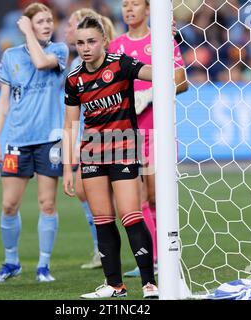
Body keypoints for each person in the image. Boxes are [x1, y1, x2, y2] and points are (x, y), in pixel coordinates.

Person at [63, 15, 158, 299]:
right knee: (102, 219)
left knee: (130, 215)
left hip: (123, 147)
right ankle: (114, 285)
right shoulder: (74, 80)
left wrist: (169, 44)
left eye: (91, 41)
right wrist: (69, 169)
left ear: (104, 40)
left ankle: (149, 284)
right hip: (92, 151)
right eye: (80, 43)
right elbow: (70, 125)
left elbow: (157, 73)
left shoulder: (121, 64)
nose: (85, 48)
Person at [0, 2, 69, 284]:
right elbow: (3, 101)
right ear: (28, 25)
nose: (48, 25)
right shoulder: (10, 56)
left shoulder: (59, 51)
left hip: (50, 139)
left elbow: (40, 62)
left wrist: (29, 35)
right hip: (17, 140)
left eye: (50, 20)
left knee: (47, 204)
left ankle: (43, 267)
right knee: (9, 205)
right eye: (41, 21)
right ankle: (11, 262)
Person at [108, 0, 188, 277]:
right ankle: (154, 258)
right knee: (137, 197)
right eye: (124, 4)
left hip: (157, 131)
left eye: (134, 4)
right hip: (127, 132)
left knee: (156, 195)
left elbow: (182, 79)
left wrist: (153, 93)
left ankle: (167, 252)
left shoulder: (162, 39)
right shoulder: (115, 45)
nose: (128, 9)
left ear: (147, 9)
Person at [64, 8, 115, 270]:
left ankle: (148, 258)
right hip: (89, 139)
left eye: (71, 24)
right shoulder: (75, 65)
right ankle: (102, 251)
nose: (66, 29)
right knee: (88, 193)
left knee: (133, 199)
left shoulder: (103, 60)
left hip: (112, 137)